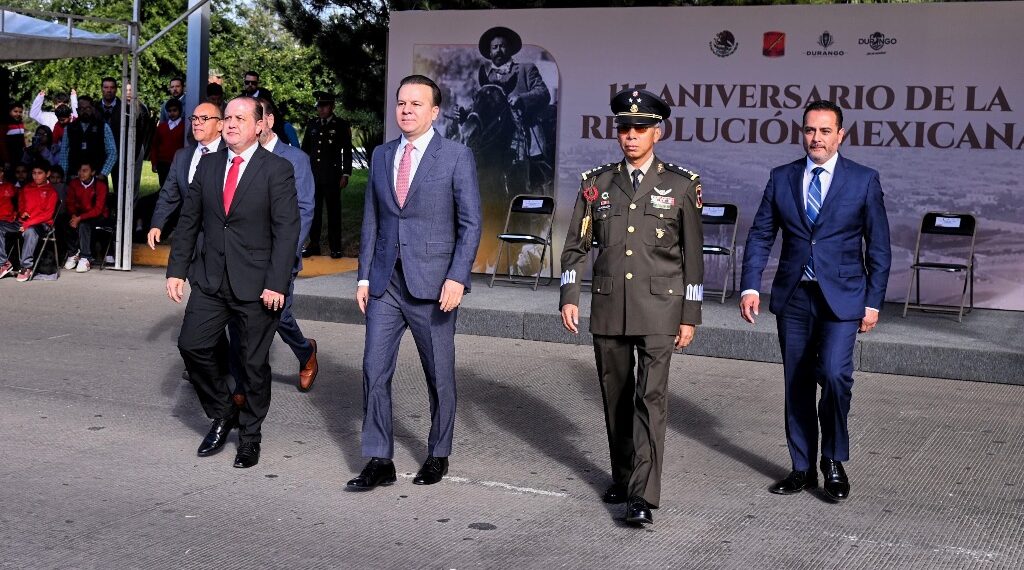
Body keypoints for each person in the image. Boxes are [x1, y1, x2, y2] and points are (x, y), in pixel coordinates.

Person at [558, 89, 704, 526]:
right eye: (624, 128)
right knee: (616, 398)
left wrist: (689, 314)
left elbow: (693, 257)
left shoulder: (682, 185)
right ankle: (622, 477)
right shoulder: (597, 183)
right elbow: (575, 247)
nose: (631, 135)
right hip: (608, 307)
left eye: (640, 128)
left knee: (650, 398)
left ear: (658, 131)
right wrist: (570, 296)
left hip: (661, 308)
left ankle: (642, 495)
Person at [740, 100, 892, 502]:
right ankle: (803, 467)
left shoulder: (863, 180)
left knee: (838, 377)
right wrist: (751, 285)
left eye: (825, 131)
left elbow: (878, 247)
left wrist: (873, 302)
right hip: (794, 298)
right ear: (801, 132)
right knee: (798, 383)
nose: (816, 138)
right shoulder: (782, 177)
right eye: (810, 130)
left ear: (841, 135)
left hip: (843, 300)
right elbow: (760, 235)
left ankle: (833, 460)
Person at [348, 75, 481, 491]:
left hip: (435, 286)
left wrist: (458, 277)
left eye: (416, 104)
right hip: (386, 284)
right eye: (401, 103)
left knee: (439, 374)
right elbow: (373, 218)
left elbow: (471, 222)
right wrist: (365, 276)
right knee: (373, 368)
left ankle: (438, 453)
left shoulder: (456, 156)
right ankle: (378, 458)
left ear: (434, 112)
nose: (406, 110)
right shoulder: (382, 155)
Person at [165, 97, 299, 469]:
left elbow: (287, 231)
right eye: (227, 118)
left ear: (260, 126)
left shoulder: (277, 169)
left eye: (241, 118)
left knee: (253, 364)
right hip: (210, 279)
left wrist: (277, 283)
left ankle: (250, 438)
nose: (231, 124)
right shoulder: (207, 166)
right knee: (192, 346)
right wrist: (176, 270)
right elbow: (190, 221)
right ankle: (224, 413)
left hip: (257, 285)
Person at [147, 102, 223, 249]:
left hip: (223, 243)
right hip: (188, 241)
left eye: (204, 118)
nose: (197, 123)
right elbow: (168, 195)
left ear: (220, 125)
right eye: (194, 118)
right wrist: (157, 224)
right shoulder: (182, 156)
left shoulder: (231, 155)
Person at [301, 91, 352, 258]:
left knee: (333, 212)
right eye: (319, 107)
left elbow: (347, 151)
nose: (321, 110)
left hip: (332, 176)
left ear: (332, 106)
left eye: (324, 106)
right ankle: (313, 244)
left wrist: (345, 174)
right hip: (314, 175)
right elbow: (305, 150)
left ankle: (335, 247)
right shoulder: (313, 124)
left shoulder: (341, 125)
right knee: (314, 212)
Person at [13, 161, 59, 282]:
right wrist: (23, 213)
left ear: (47, 174)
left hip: (42, 224)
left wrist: (28, 224)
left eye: (39, 173)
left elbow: (47, 215)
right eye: (34, 173)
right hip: (24, 222)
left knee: (30, 232)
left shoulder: (52, 192)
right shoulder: (27, 188)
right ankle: (3, 263)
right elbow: (21, 205)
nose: (36, 176)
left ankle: (26, 266)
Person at [62, 161, 109, 273]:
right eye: (79, 170)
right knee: (62, 221)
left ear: (92, 172)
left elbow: (98, 209)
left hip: (98, 216)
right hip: (78, 214)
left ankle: (85, 257)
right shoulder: (74, 183)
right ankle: (73, 252)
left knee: (84, 224)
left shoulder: (100, 186)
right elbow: (70, 202)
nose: (81, 173)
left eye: (85, 170)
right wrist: (74, 216)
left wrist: (79, 218)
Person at [58, 96, 117, 183]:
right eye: (81, 108)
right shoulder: (69, 128)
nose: (84, 111)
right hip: (74, 178)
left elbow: (112, 152)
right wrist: (64, 175)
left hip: (97, 178)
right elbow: (64, 154)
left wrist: (103, 173)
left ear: (93, 109)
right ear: (77, 110)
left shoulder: (103, 127)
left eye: (88, 108)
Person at [150, 98, 186, 188]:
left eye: (174, 110)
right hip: (162, 164)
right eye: (169, 111)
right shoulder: (162, 127)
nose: (172, 113)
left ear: (180, 111)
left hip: (177, 164)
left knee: (176, 187)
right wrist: (154, 163)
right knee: (163, 186)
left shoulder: (184, 127)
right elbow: (155, 145)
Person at [0, 168, 19, 279]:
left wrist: (17, 214)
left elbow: (20, 205)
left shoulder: (11, 187)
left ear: (2, 173)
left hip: (11, 222)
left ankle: (3, 264)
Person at [3, 103, 26, 169]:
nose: (18, 114)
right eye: (15, 111)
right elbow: (2, 143)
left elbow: (22, 139)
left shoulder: (21, 124)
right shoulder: (5, 124)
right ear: (10, 112)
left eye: (20, 112)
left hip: (20, 157)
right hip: (10, 158)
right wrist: (6, 160)